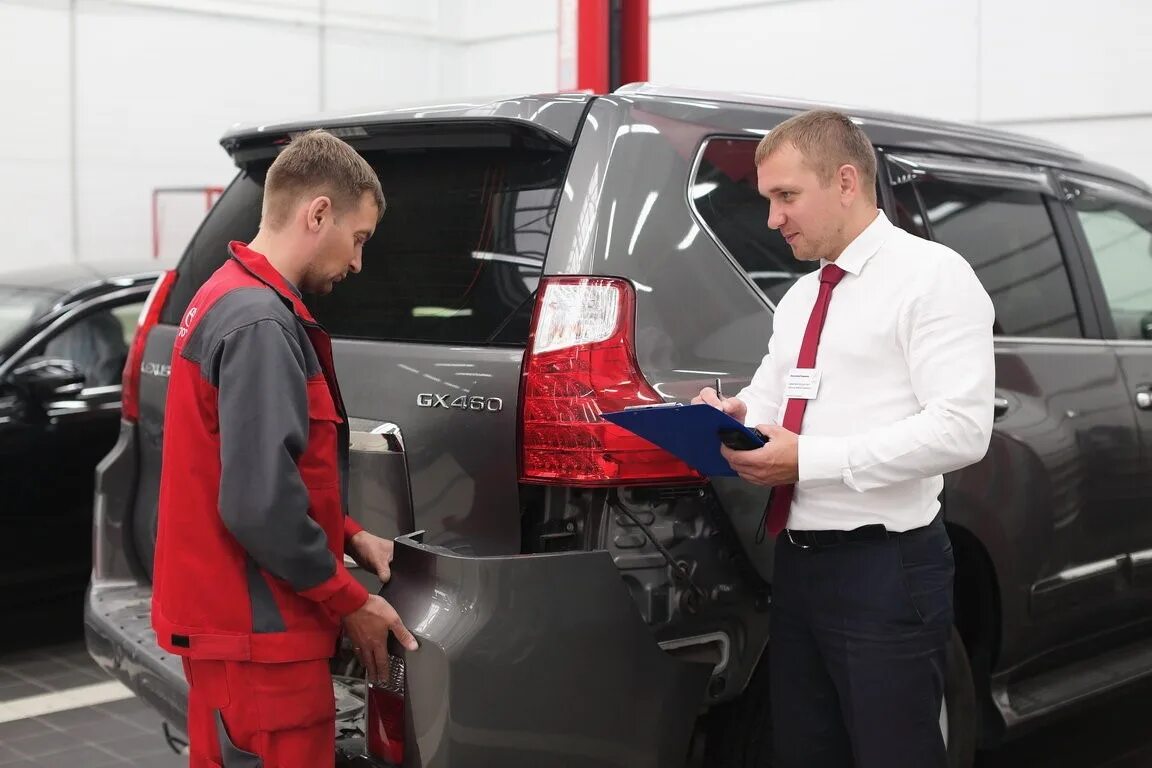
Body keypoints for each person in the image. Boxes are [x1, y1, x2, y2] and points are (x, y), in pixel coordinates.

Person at [693, 110, 994, 767]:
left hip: (884, 569)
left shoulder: (931, 278)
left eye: (786, 196)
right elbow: (778, 394)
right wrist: (733, 414)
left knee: (895, 753)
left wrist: (811, 459)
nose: (773, 218)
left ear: (848, 181)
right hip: (800, 565)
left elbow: (963, 429)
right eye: (768, 199)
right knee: (806, 750)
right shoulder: (802, 297)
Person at [151, 129, 418, 768]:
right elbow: (258, 503)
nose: (357, 263)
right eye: (358, 239)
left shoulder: (222, 295)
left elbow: (256, 468)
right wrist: (349, 601)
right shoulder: (260, 324)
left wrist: (349, 533)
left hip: (234, 635)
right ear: (317, 212)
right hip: (260, 641)